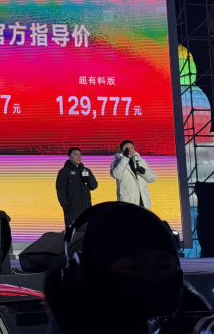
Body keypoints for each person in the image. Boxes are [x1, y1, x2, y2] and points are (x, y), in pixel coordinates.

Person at [44, 202, 211, 334]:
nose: (152, 278)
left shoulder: (198, 323)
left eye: (163, 266)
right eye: (134, 267)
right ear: (88, 274)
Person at [55, 147, 98, 229]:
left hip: (86, 207)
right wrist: (65, 205)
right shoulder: (64, 171)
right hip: (72, 208)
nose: (78, 157)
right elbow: (60, 189)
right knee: (72, 230)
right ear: (69, 156)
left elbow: (94, 186)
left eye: (80, 155)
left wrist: (87, 179)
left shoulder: (86, 171)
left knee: (86, 230)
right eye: (75, 155)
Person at [110, 139, 156, 208]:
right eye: (126, 148)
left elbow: (153, 179)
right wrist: (125, 158)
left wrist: (144, 172)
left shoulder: (140, 161)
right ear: (121, 150)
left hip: (143, 201)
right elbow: (116, 175)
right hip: (128, 200)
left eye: (132, 148)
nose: (130, 150)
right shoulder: (116, 163)